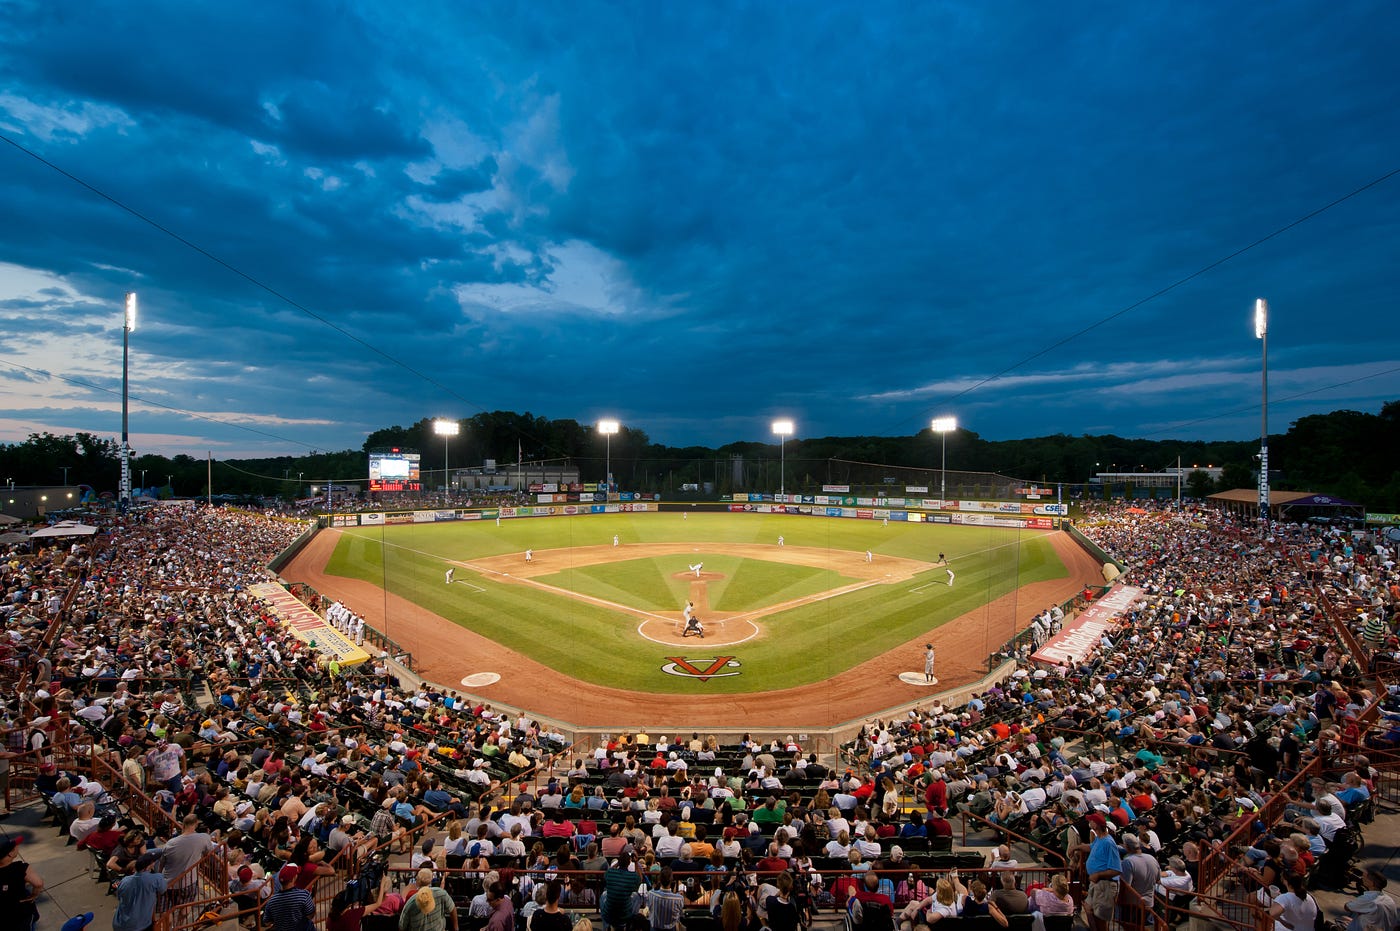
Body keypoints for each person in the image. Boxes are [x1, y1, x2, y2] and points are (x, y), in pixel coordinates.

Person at [1076, 813, 1120, 931]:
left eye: (1091, 821)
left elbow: (1116, 869)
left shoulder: (1109, 843)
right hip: (1096, 884)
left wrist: (1098, 874)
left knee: (1100, 918)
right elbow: (1091, 847)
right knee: (1088, 907)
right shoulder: (1099, 839)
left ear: (1095, 824)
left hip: (1105, 884)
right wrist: (1077, 847)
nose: (1089, 823)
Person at [113, 851, 167, 931]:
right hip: (140, 925)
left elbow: (119, 896)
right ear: (150, 865)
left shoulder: (125, 880)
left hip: (120, 923)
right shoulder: (156, 878)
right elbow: (162, 889)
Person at [0, 837, 43, 931]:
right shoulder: (20, 868)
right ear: (10, 854)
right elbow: (38, 883)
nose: (17, 847)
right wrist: (33, 895)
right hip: (21, 915)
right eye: (15, 846)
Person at [261, 865, 315, 931]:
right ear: (293, 878)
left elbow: (267, 922)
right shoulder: (304, 895)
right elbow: (311, 915)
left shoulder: (271, 901)